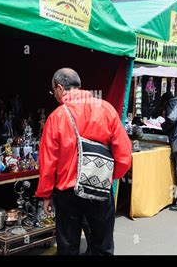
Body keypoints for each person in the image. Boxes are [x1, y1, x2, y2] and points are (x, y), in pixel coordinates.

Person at [35, 68, 132, 255]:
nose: (54, 94)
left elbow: (48, 161)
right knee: (102, 245)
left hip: (67, 192)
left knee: (68, 245)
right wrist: (110, 176)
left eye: (53, 90)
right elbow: (124, 151)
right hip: (100, 187)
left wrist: (46, 194)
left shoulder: (57, 117)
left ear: (60, 88)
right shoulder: (106, 109)